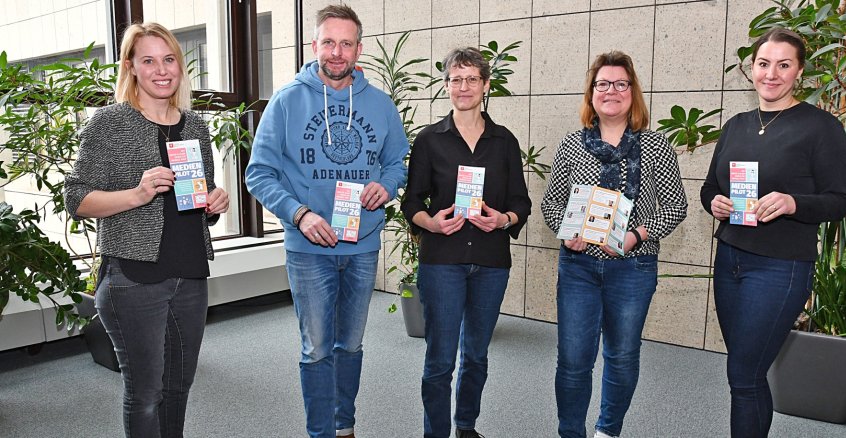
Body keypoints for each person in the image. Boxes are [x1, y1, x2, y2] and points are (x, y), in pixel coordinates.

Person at [244, 4, 409, 438]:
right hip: (308, 248)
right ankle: (321, 432)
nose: (337, 52)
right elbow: (258, 174)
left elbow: (398, 162)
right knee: (317, 348)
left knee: (350, 345)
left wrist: (387, 186)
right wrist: (298, 214)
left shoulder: (380, 104)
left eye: (346, 43)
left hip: (362, 244)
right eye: (329, 42)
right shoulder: (286, 101)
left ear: (359, 49)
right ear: (313, 44)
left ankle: (344, 425)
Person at [63, 22, 229, 438]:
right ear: (131, 67)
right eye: (149, 61)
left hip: (191, 274)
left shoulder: (196, 126)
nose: (161, 70)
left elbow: (198, 198)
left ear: (180, 65)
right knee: (146, 394)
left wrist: (214, 202)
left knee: (179, 387)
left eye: (169, 59)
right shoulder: (109, 123)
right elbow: (76, 199)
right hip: (133, 278)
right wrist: (136, 195)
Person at [700, 28, 846, 438]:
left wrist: (792, 202)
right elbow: (710, 187)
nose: (771, 74)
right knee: (748, 374)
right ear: (751, 68)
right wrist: (715, 203)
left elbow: (839, 201)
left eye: (784, 65)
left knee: (743, 374)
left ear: (799, 71)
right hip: (730, 259)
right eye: (763, 64)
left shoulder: (821, 127)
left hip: (781, 267)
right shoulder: (735, 125)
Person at [540, 51, 687, 438]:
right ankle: (571, 433)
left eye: (621, 84)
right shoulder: (572, 145)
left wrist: (634, 235)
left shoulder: (656, 146)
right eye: (602, 84)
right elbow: (552, 203)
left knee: (621, 357)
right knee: (573, 361)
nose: (611, 91)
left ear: (632, 92)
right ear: (591, 93)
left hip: (634, 268)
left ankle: (608, 431)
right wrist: (565, 231)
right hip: (578, 267)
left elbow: (676, 207)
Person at [401, 47, 532, 438]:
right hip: (442, 260)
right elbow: (411, 202)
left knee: (476, 355)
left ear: (486, 85)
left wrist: (504, 219)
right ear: (446, 86)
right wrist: (430, 223)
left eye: (472, 78)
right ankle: (436, 432)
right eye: (456, 79)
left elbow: (521, 202)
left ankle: (466, 426)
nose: (464, 86)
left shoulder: (504, 141)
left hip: (491, 262)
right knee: (440, 360)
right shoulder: (429, 140)